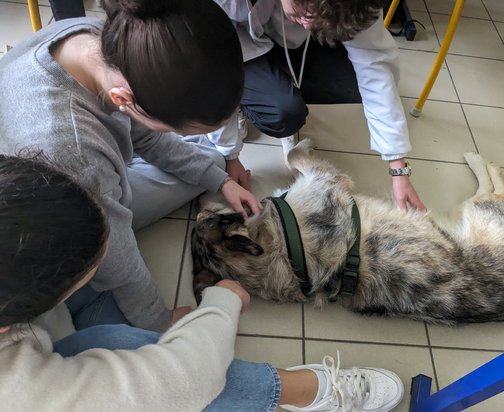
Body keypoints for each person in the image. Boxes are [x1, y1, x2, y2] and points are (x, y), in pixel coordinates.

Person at [0, 153, 405, 412]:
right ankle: (306, 391)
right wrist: (221, 303)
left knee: (115, 336)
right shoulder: (25, 394)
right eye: (96, 259)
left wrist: (218, 173)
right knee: (136, 355)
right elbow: (186, 379)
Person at [0, 0, 262, 333]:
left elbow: (148, 138)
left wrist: (222, 180)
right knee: (125, 331)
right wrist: (158, 319)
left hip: (80, 175)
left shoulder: (105, 39)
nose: (172, 135)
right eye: (174, 128)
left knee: (209, 163)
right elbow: (114, 253)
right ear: (125, 99)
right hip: (50, 226)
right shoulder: (74, 151)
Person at [208, 0, 427, 212]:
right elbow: (210, 59)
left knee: (351, 82)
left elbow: (375, 65)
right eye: (305, 10)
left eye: (315, 15)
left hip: (289, 39)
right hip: (238, 42)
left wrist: (398, 167)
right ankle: (246, 98)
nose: (308, 23)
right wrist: (230, 155)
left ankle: (282, 79)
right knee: (282, 112)